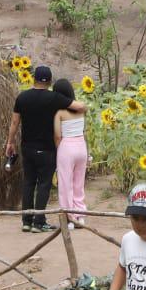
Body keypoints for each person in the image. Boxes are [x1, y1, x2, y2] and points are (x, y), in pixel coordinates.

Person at [5, 65, 86, 232]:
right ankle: (39, 221)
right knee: (43, 184)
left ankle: (26, 221)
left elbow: (14, 123)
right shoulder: (54, 98)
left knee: (28, 183)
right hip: (47, 149)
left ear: (33, 79)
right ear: (49, 81)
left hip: (27, 148)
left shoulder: (22, 97)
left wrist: (10, 142)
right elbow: (80, 107)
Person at [52, 79, 89, 226]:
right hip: (81, 145)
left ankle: (69, 218)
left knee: (65, 184)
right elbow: (84, 130)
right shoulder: (81, 110)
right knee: (78, 183)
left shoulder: (60, 113)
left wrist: (58, 150)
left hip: (66, 146)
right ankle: (80, 215)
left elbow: (57, 136)